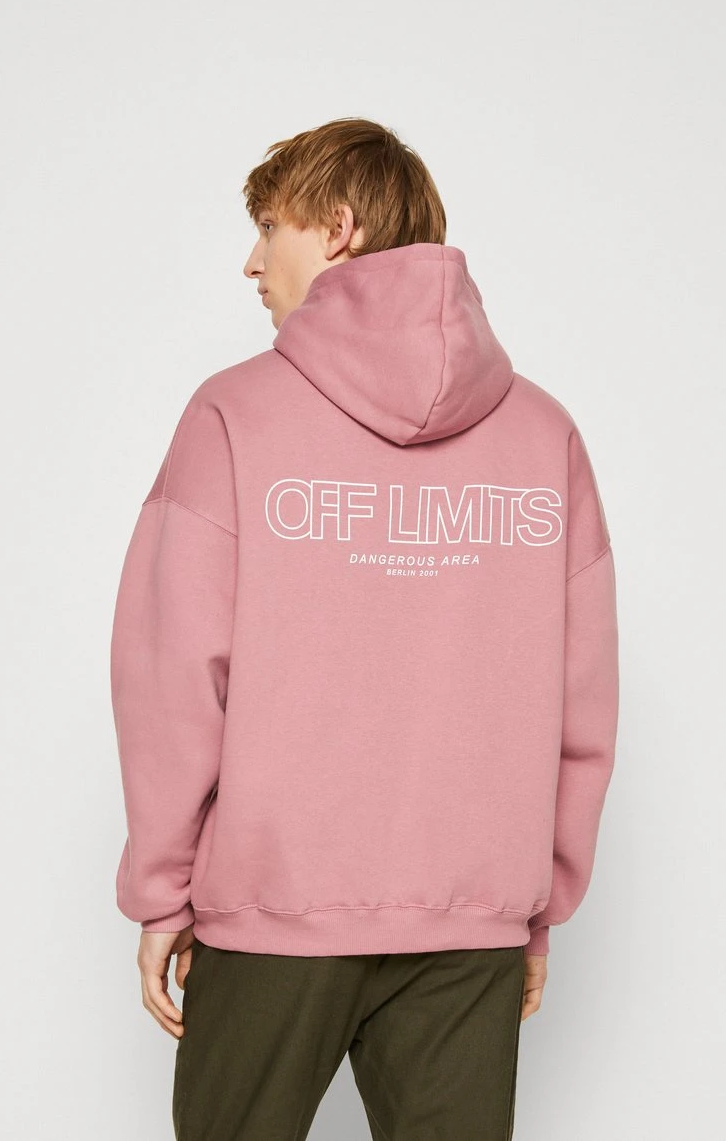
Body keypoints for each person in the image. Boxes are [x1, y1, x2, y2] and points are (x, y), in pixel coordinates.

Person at [110, 116, 619, 1140]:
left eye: (270, 228)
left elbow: (171, 678)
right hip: (469, 923)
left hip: (270, 913)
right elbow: (583, 697)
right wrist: (530, 903)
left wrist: (164, 892)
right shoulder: (543, 434)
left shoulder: (233, 416)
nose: (252, 262)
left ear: (337, 228)